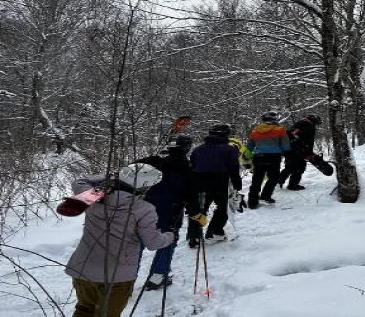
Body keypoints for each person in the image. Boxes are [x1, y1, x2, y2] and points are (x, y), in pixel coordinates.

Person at [65, 164, 174, 317]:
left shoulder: (93, 197)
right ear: (144, 187)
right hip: (117, 277)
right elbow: (153, 243)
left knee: (84, 310)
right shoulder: (143, 209)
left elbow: (79, 181)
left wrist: (108, 178)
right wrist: (170, 236)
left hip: (83, 270)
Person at [133, 135, 194, 291]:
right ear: (187, 148)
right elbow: (192, 195)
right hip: (172, 212)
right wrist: (195, 213)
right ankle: (157, 277)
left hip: (145, 209)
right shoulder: (188, 168)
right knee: (167, 241)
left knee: (137, 242)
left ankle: (128, 278)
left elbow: (129, 172)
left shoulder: (153, 161)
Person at [186, 124, 242, 246]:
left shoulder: (198, 149)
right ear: (226, 134)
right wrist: (237, 185)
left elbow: (192, 167)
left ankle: (194, 236)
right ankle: (215, 231)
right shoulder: (230, 149)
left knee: (200, 208)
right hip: (220, 181)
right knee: (222, 208)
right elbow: (234, 168)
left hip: (200, 182)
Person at [246, 111, 291, 208]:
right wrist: (288, 154)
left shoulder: (255, 131)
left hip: (259, 157)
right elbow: (286, 145)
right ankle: (266, 196)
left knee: (257, 179)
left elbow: (249, 146)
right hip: (274, 158)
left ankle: (252, 202)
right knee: (274, 178)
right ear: (274, 119)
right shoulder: (280, 130)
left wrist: (246, 157)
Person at [280, 114, 321, 190]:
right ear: (314, 121)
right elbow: (310, 141)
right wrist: (309, 153)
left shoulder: (298, 123)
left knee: (289, 166)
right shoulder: (310, 126)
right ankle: (293, 185)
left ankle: (279, 180)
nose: (316, 125)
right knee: (300, 166)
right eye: (316, 123)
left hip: (288, 148)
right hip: (298, 149)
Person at [228, 134, 253, 212]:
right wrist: (248, 164)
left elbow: (245, 154)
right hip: (232, 166)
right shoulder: (237, 142)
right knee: (235, 180)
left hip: (225, 166)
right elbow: (245, 154)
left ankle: (236, 196)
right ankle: (236, 196)